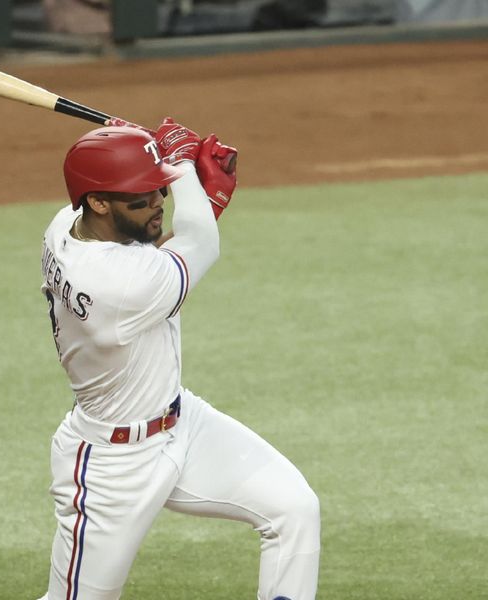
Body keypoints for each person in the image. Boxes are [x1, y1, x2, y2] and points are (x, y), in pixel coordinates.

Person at [37, 118, 320, 600]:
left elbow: (160, 257)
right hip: (110, 464)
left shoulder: (67, 226)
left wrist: (148, 156)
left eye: (159, 192)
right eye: (140, 197)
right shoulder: (113, 283)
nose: (156, 205)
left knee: (293, 509)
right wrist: (184, 171)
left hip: (181, 423)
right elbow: (194, 248)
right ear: (98, 202)